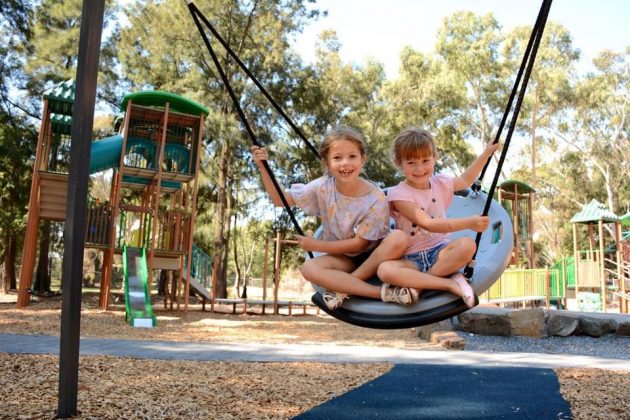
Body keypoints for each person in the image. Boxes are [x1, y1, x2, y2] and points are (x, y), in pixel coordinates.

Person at [251, 126, 415, 310]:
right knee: (308, 268)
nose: (345, 163)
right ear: (327, 162)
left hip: (376, 256)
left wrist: (316, 245)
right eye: (337, 158)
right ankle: (383, 293)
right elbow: (280, 200)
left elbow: (359, 245)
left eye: (352, 156)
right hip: (343, 260)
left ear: (363, 160)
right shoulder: (322, 187)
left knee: (398, 238)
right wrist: (262, 167)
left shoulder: (375, 197)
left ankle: (345, 287)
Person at [377, 127, 500, 307]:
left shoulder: (440, 183)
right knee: (384, 270)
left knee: (467, 246)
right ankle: (449, 282)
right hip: (412, 258)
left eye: (425, 160)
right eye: (411, 163)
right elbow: (428, 223)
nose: (419, 168)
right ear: (399, 163)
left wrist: (486, 154)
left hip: (440, 252)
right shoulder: (398, 194)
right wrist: (470, 223)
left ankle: (421, 284)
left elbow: (466, 180)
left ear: (435, 157)